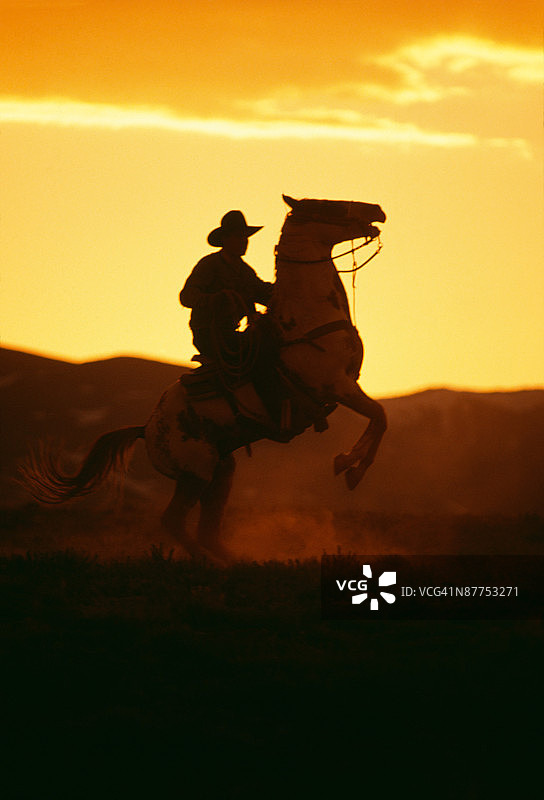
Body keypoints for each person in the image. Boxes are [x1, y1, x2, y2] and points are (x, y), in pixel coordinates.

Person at [179, 210, 273, 361]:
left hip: (232, 333)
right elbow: (186, 297)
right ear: (225, 239)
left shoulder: (246, 271)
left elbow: (264, 292)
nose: (244, 241)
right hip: (208, 334)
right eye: (238, 236)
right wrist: (216, 299)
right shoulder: (209, 265)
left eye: (245, 237)